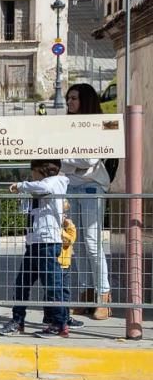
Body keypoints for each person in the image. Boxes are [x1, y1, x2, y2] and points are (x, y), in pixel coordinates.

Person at [0, 160, 70, 338]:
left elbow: (44, 188)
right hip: (34, 241)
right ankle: (18, 320)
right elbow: (28, 207)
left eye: (33, 172)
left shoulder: (56, 181)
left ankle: (59, 323)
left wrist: (21, 186)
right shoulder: (39, 186)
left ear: (41, 170)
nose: (31, 175)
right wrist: (24, 193)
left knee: (52, 285)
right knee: (22, 282)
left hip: (47, 242)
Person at [61, 83, 112, 321]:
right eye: (68, 98)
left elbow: (90, 158)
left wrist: (68, 158)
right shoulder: (66, 126)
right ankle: (85, 293)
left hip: (92, 186)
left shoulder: (97, 126)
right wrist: (73, 160)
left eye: (74, 98)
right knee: (76, 243)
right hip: (71, 185)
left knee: (93, 242)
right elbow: (61, 159)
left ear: (86, 100)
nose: (70, 102)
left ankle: (104, 295)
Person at [44, 201, 84, 329]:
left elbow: (71, 239)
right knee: (56, 293)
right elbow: (69, 240)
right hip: (57, 264)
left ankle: (62, 316)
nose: (65, 216)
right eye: (62, 213)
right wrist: (68, 227)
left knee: (62, 292)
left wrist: (68, 225)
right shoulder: (56, 229)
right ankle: (55, 317)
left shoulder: (63, 227)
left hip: (65, 264)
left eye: (65, 213)